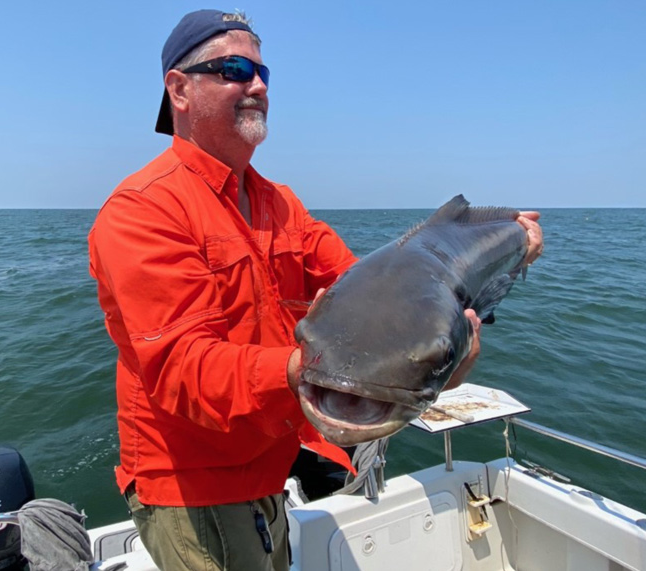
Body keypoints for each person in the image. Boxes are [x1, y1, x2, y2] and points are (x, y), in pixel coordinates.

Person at [88, 9, 544, 571]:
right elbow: (185, 368)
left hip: (268, 467)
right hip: (194, 487)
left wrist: (473, 289)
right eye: (232, 68)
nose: (256, 85)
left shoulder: (280, 204)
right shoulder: (143, 210)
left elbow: (376, 294)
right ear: (179, 89)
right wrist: (308, 371)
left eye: (263, 73)